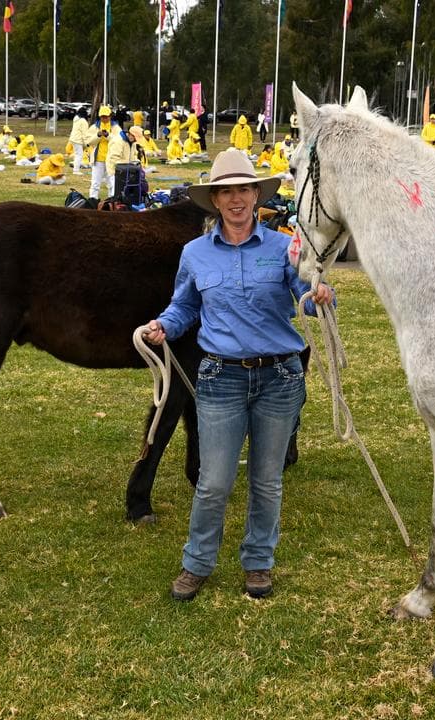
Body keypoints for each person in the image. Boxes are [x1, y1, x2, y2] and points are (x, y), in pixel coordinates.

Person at [142, 149, 333, 602]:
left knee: (267, 480)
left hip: (280, 379)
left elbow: (306, 290)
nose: (235, 199)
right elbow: (185, 305)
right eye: (226, 191)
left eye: (243, 189)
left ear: (256, 195)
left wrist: (319, 293)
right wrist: (163, 326)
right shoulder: (194, 254)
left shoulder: (284, 246)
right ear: (215, 200)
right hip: (220, 379)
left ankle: (258, 563)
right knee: (214, 482)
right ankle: (197, 562)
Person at [105, 125, 144, 197]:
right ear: (130, 134)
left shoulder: (133, 143)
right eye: (135, 138)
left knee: (125, 193)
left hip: (126, 171)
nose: (136, 140)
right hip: (115, 171)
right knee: (115, 192)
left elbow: (134, 155)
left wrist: (137, 163)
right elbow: (114, 159)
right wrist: (129, 165)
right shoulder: (117, 141)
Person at [88, 105, 116, 199]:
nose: (104, 118)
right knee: (95, 183)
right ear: (100, 116)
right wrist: (98, 135)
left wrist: (108, 135)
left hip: (111, 159)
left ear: (110, 116)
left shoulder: (115, 127)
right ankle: (93, 200)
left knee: (112, 183)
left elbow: (118, 141)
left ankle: (112, 201)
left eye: (106, 116)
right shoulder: (94, 127)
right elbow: (89, 142)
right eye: (102, 116)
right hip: (98, 159)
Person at [69, 108, 89, 175]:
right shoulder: (83, 121)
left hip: (73, 139)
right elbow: (85, 134)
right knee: (79, 155)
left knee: (77, 154)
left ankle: (76, 168)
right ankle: (76, 170)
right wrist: (86, 144)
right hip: (78, 139)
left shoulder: (76, 119)